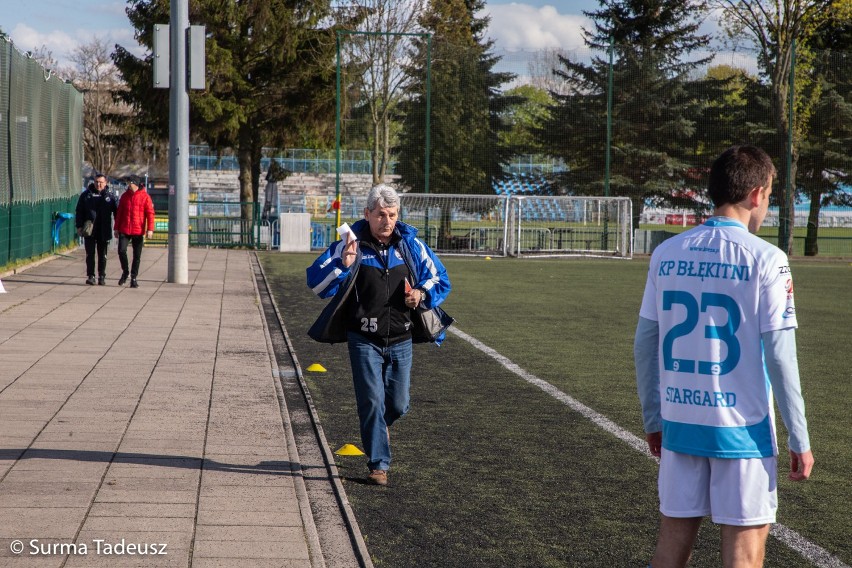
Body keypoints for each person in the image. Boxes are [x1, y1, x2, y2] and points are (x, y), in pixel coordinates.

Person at [634, 145, 814, 568]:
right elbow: (781, 357)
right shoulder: (768, 259)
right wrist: (799, 438)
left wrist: (654, 419)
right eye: (769, 195)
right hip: (742, 431)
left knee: (671, 544)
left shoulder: (666, 253)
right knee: (744, 555)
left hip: (680, 422)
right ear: (756, 194)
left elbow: (645, 343)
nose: (767, 206)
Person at [306, 184, 452, 486]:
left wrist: (421, 294)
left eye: (393, 215)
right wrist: (342, 266)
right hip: (363, 339)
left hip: (402, 339)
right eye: (381, 215)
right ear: (367, 214)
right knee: (371, 401)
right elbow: (316, 284)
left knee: (398, 404)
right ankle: (378, 465)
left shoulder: (411, 246)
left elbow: (440, 278)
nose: (388, 221)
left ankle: (378, 428)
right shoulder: (349, 245)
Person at [75, 174, 118, 285]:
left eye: (101, 182)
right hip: (89, 229)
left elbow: (117, 212)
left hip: (103, 229)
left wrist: (117, 228)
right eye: (96, 182)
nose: (98, 184)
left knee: (102, 254)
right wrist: (79, 226)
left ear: (106, 182)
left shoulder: (110, 197)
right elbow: (79, 211)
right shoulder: (86, 195)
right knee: (90, 253)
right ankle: (91, 275)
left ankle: (102, 276)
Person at [114, 175, 155, 288]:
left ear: (135, 184)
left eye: (130, 183)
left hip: (138, 230)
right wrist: (116, 228)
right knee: (121, 251)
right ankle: (125, 271)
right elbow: (119, 213)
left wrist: (150, 229)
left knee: (137, 256)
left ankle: (133, 277)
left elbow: (150, 214)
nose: (128, 185)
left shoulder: (145, 197)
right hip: (125, 229)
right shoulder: (124, 196)